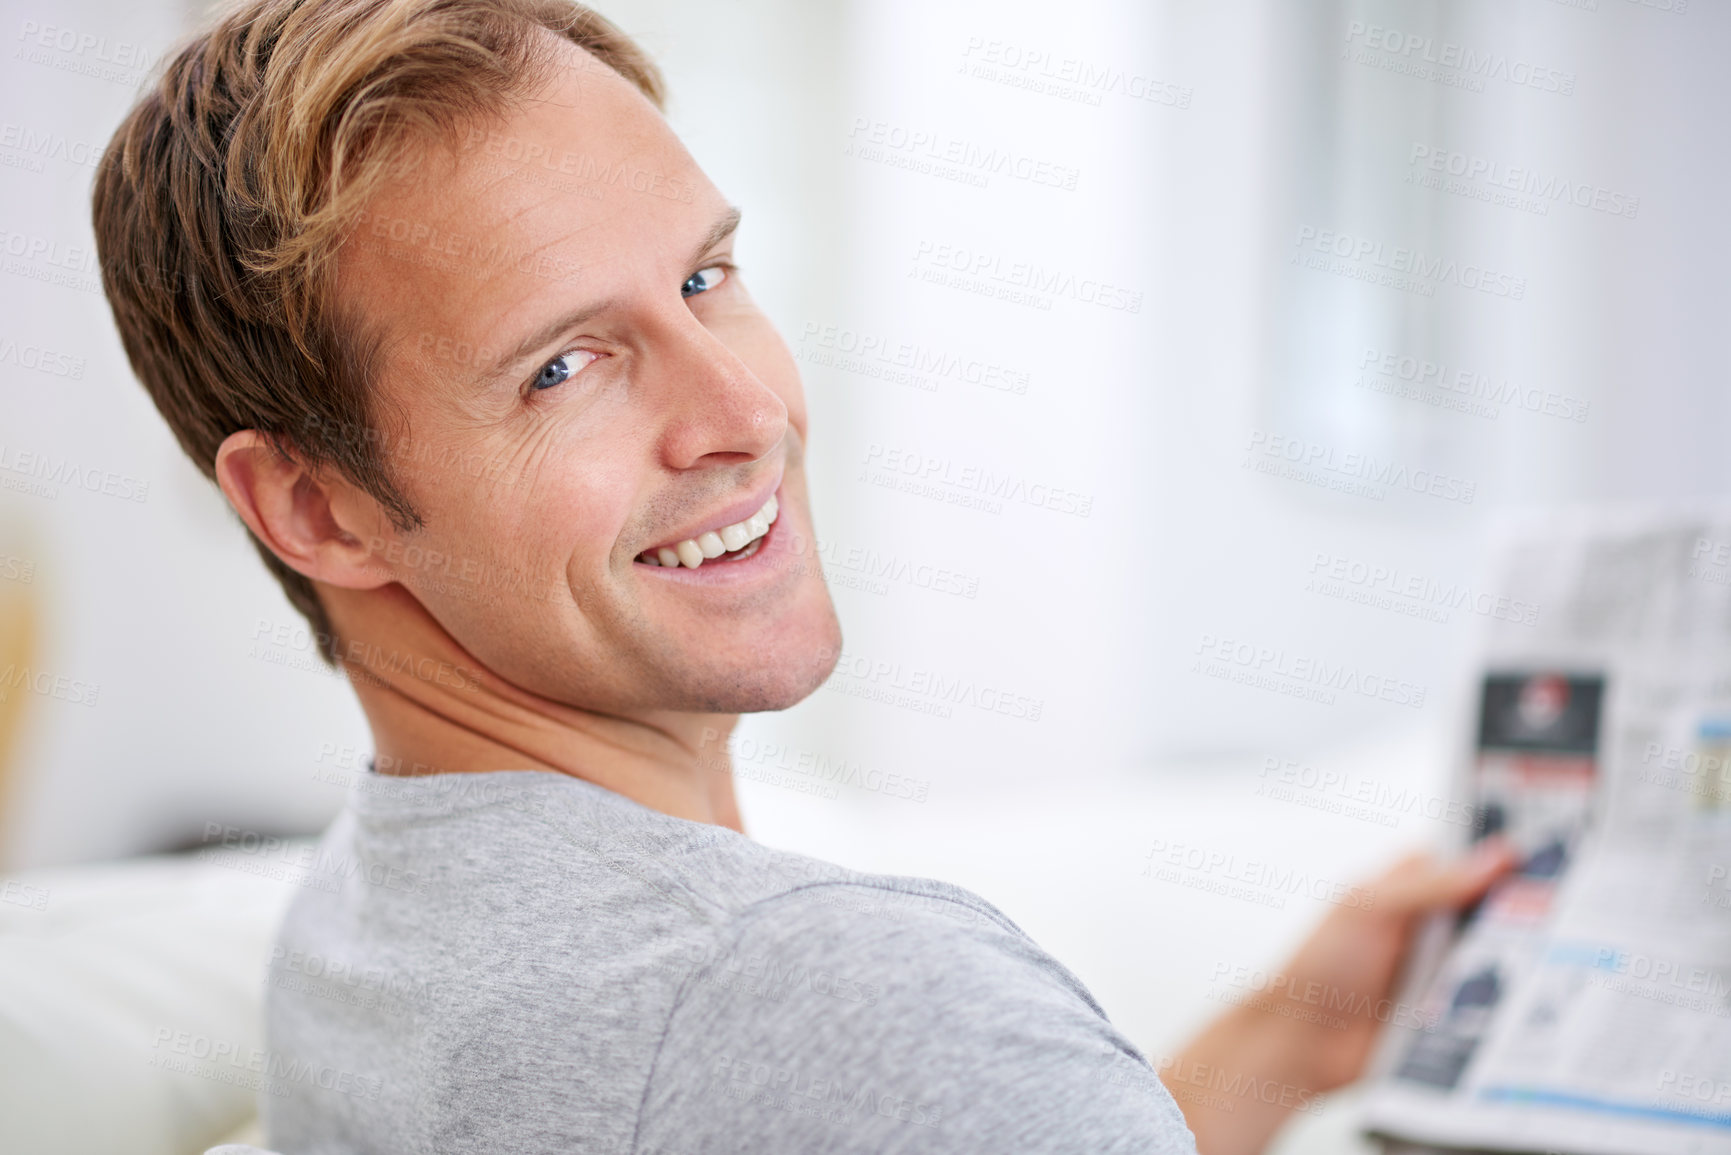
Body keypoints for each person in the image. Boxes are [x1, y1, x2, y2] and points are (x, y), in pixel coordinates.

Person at [92, 1, 1515, 1151]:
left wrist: (1282, 1044)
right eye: (565, 366)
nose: (745, 413)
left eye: (709, 280)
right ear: (315, 505)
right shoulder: (852, 994)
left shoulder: (362, 929)